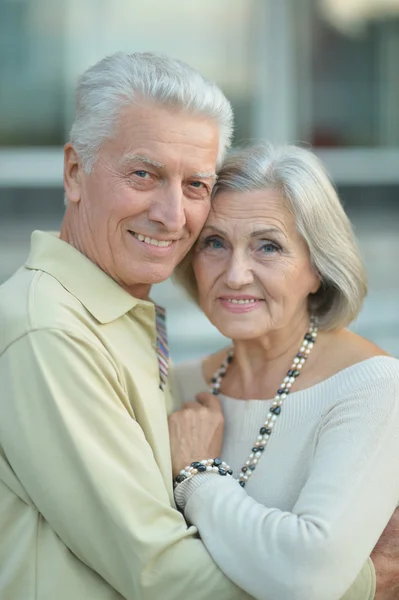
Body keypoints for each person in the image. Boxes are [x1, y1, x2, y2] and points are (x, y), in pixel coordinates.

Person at [0, 50, 395, 600]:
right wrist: (366, 582)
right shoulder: (50, 330)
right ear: (74, 173)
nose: (171, 214)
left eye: (195, 186)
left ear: (317, 265)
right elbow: (157, 569)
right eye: (143, 174)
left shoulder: (134, 332)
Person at [170, 143, 399, 600]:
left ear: (318, 267)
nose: (235, 275)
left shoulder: (374, 388)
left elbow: (306, 577)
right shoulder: (181, 384)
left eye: (268, 246)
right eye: (214, 243)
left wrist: (197, 479)